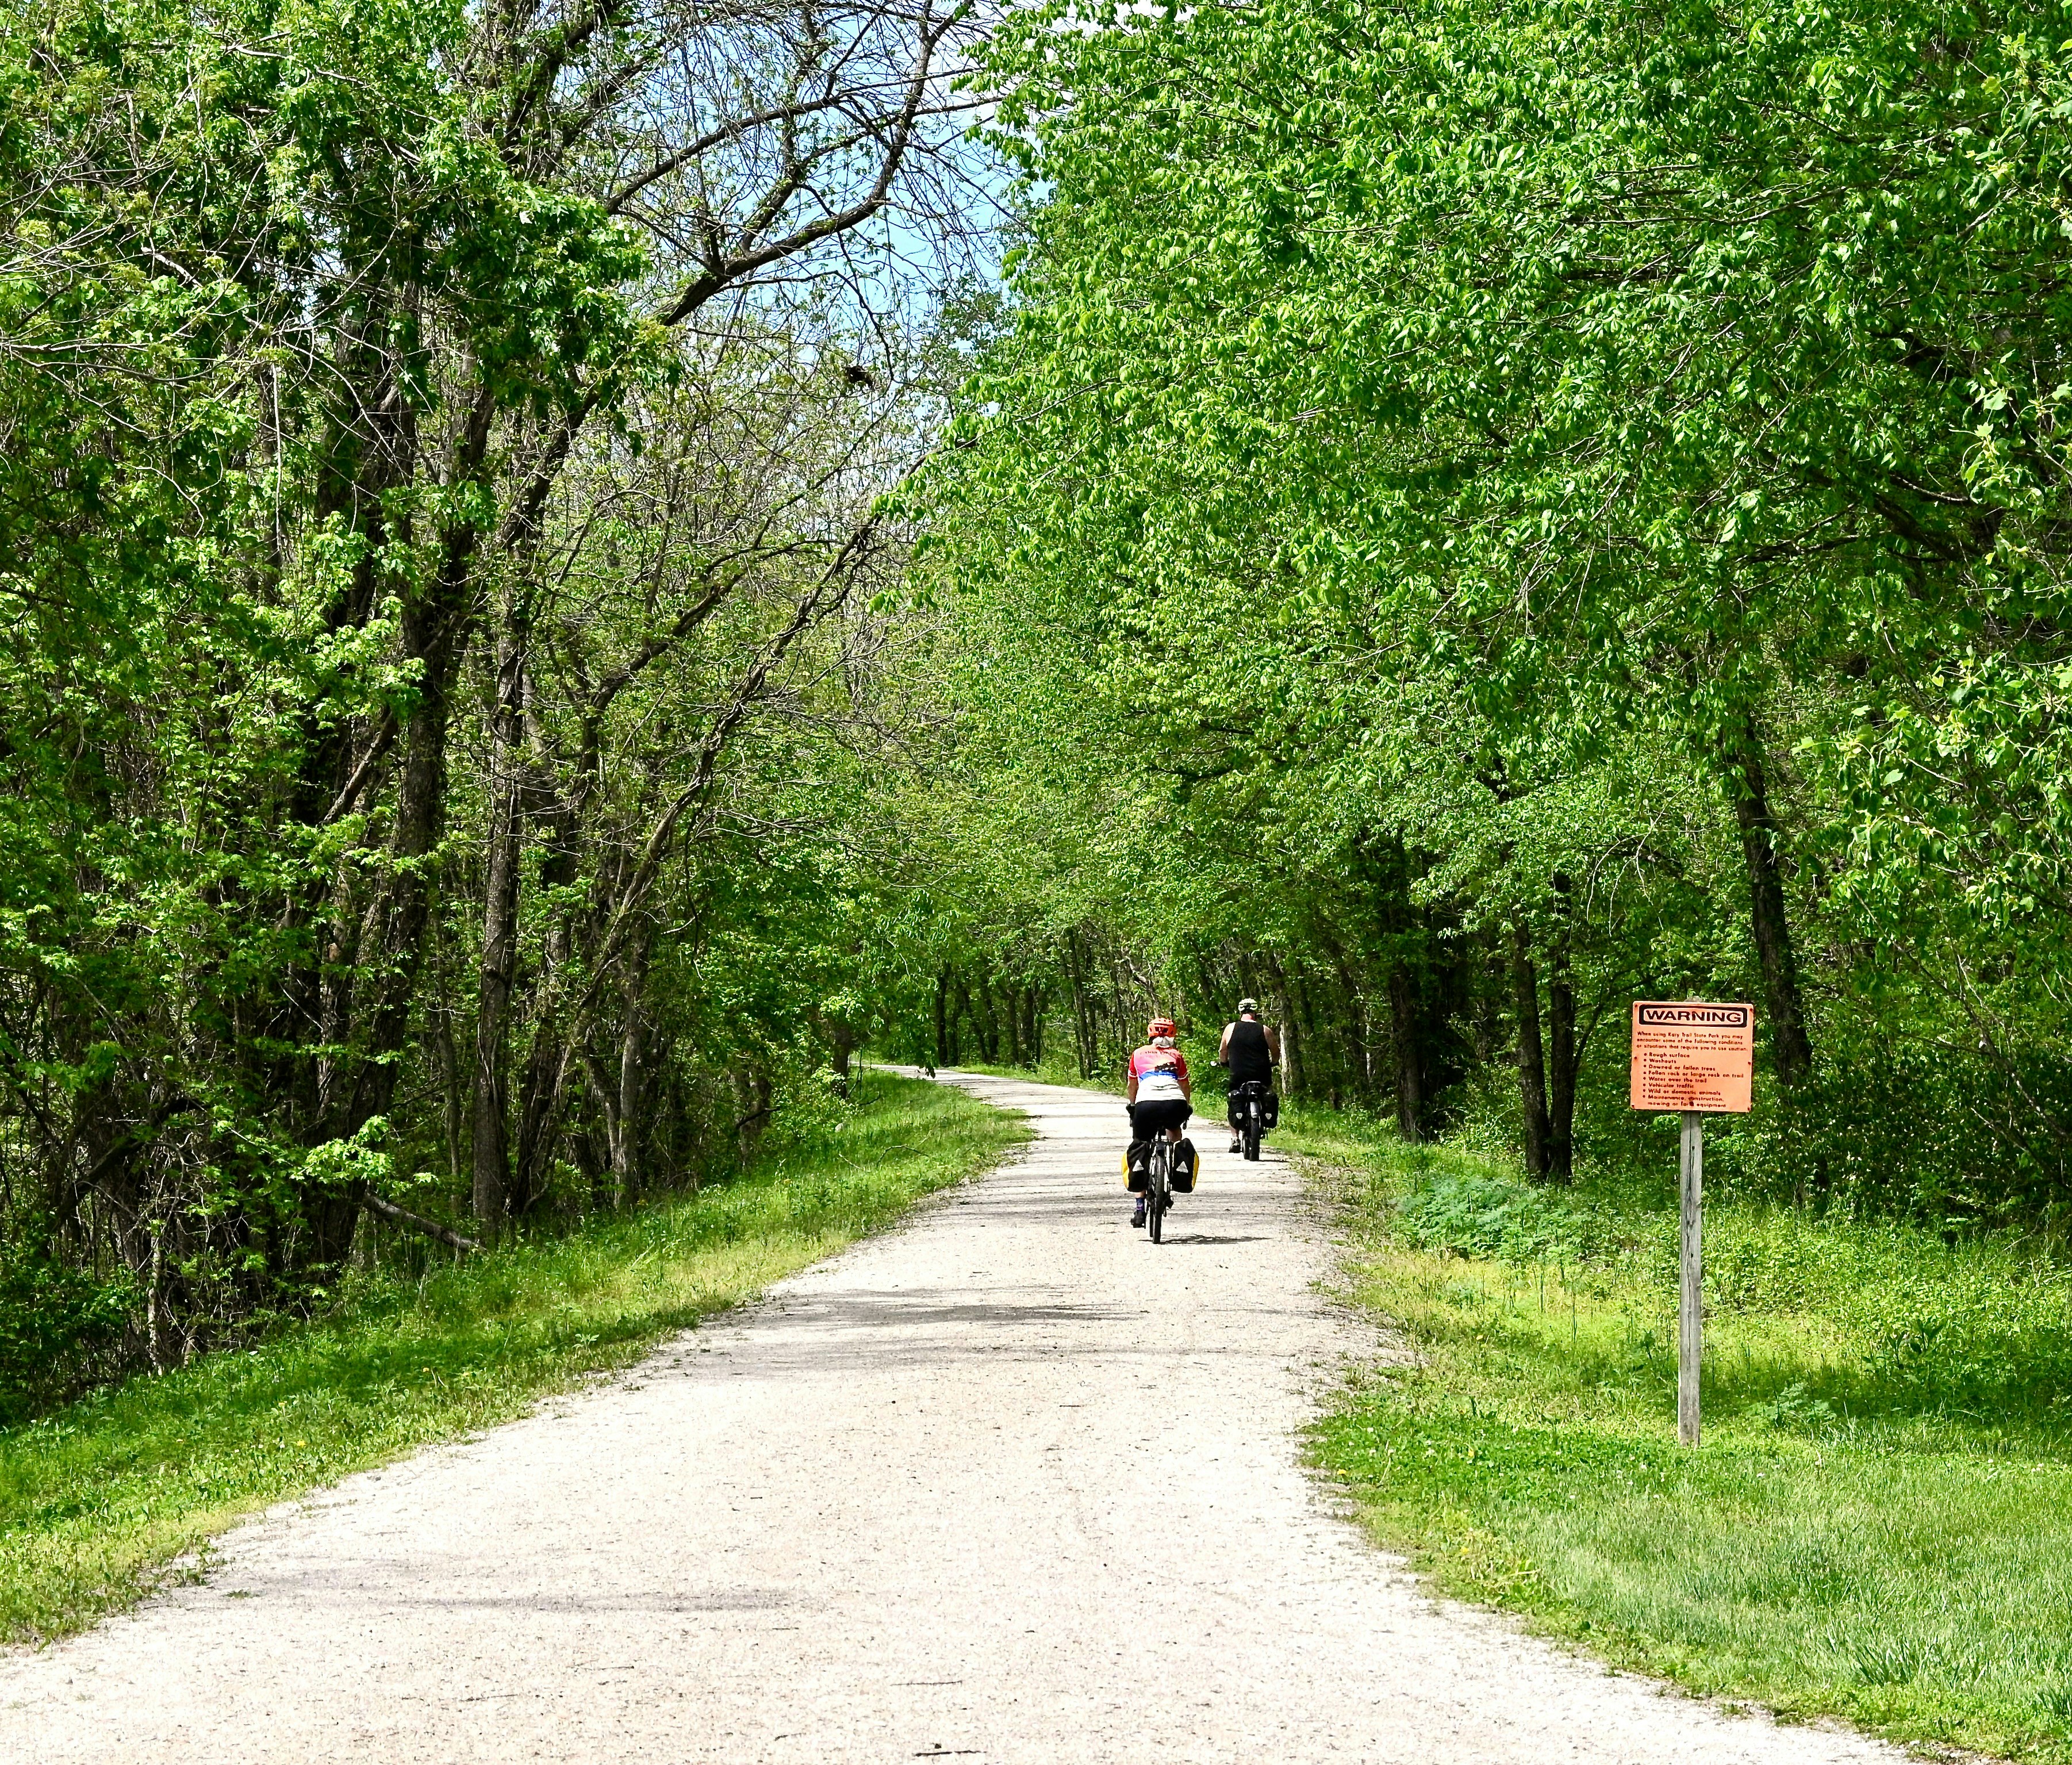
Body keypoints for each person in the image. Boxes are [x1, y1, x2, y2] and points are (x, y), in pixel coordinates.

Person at [1125, 1017, 1191, 1228]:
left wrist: (1133, 1107)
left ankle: (1139, 1210)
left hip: (1146, 1106)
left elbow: (1132, 1085)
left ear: (1150, 1035)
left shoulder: (1138, 1053)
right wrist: (1186, 1108)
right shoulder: (1177, 1055)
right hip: (1175, 1104)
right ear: (1172, 1036)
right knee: (1175, 1134)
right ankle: (1173, 1170)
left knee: (1141, 1146)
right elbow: (1185, 1086)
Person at [1217, 998, 1281, 1153]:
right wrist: (1274, 1062)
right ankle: (1263, 1120)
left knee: (1234, 1099)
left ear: (1240, 1012)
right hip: (1261, 1074)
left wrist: (1223, 1062)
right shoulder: (1265, 1030)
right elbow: (1275, 1052)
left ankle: (1235, 1139)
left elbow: (1222, 1051)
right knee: (1266, 1092)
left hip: (1238, 1074)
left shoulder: (1230, 1029)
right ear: (1255, 1012)